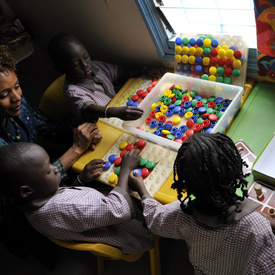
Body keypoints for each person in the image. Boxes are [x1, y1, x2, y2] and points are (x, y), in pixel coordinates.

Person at [128, 133, 275, 274]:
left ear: (184, 183)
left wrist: (142, 190)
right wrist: (265, 223)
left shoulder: (182, 213)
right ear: (236, 171)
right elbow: (268, 268)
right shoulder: (256, 226)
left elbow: (155, 220)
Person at [0, 142, 155, 255]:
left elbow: (70, 205)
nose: (55, 167)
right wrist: (126, 170)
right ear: (26, 190)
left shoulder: (33, 204)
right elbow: (118, 210)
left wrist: (80, 181)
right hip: (136, 230)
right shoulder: (67, 206)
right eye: (48, 170)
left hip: (103, 215)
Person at [0, 44, 101, 183]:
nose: (17, 97)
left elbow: (48, 127)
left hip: (55, 167)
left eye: (17, 86)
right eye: (4, 95)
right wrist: (76, 149)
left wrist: (82, 134)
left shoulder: (19, 104)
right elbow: (33, 187)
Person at [47, 33, 165, 123]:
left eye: (86, 57)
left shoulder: (96, 66)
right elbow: (89, 108)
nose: (85, 64)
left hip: (120, 112)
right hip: (103, 122)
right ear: (61, 69)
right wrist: (113, 112)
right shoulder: (73, 91)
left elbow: (122, 71)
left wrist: (144, 70)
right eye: (76, 64)